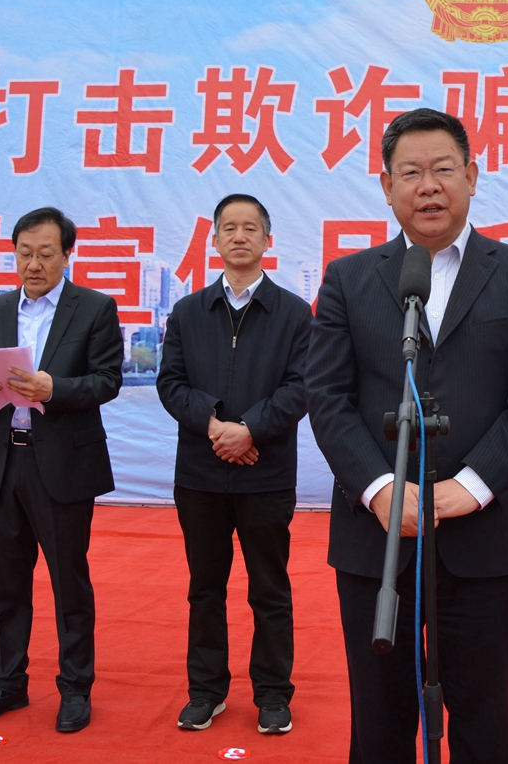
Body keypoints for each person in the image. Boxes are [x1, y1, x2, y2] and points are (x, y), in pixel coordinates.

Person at [306, 108, 508, 764]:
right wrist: (380, 488)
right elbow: (326, 396)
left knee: (482, 720)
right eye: (411, 172)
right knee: (379, 723)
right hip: (376, 543)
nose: (428, 186)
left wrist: (473, 486)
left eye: (443, 169)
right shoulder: (348, 278)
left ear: (471, 177)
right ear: (386, 186)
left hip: (483, 537)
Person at [0, 206, 123, 733]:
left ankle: (75, 688)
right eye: (24, 253)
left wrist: (55, 388)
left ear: (67, 254)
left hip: (63, 464)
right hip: (4, 461)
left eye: (45, 253)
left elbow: (108, 381)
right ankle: (7, 684)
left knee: (69, 583)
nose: (33, 264)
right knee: (6, 583)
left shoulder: (94, 308)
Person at [156, 194, 311, 735]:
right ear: (215, 240)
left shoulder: (294, 313)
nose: (239, 236)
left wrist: (249, 429)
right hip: (200, 475)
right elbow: (170, 383)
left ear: (268, 240)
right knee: (205, 588)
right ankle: (206, 691)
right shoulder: (187, 312)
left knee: (270, 588)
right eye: (229, 228)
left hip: (265, 473)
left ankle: (273, 693)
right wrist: (215, 425)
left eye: (250, 228)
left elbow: (302, 387)